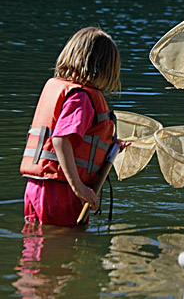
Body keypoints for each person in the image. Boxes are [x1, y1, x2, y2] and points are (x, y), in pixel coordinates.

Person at [20, 26, 128, 227]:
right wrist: (79, 187)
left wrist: (110, 147)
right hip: (61, 191)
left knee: (38, 244)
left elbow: (77, 139)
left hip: (38, 187)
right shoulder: (82, 98)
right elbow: (60, 139)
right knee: (61, 246)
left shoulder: (66, 89)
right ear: (104, 69)